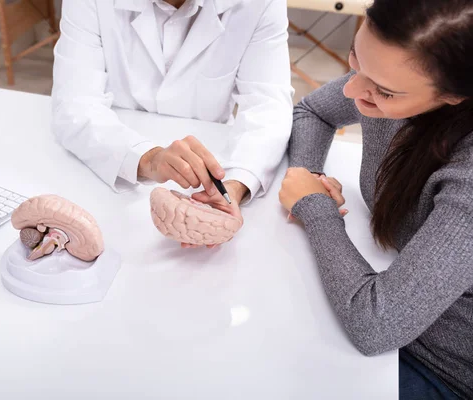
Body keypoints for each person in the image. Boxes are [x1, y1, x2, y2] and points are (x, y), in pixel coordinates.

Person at [278, 0, 473, 398]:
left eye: (383, 91)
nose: (351, 89)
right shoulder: (383, 77)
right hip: (387, 306)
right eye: (355, 58)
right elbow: (314, 110)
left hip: (442, 368)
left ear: (455, 96)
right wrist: (309, 177)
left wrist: (314, 207)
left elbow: (376, 325)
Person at [51, 0, 294, 244]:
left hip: (213, 164)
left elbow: (268, 105)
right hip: (105, 162)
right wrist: (147, 158)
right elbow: (75, 103)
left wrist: (236, 183)